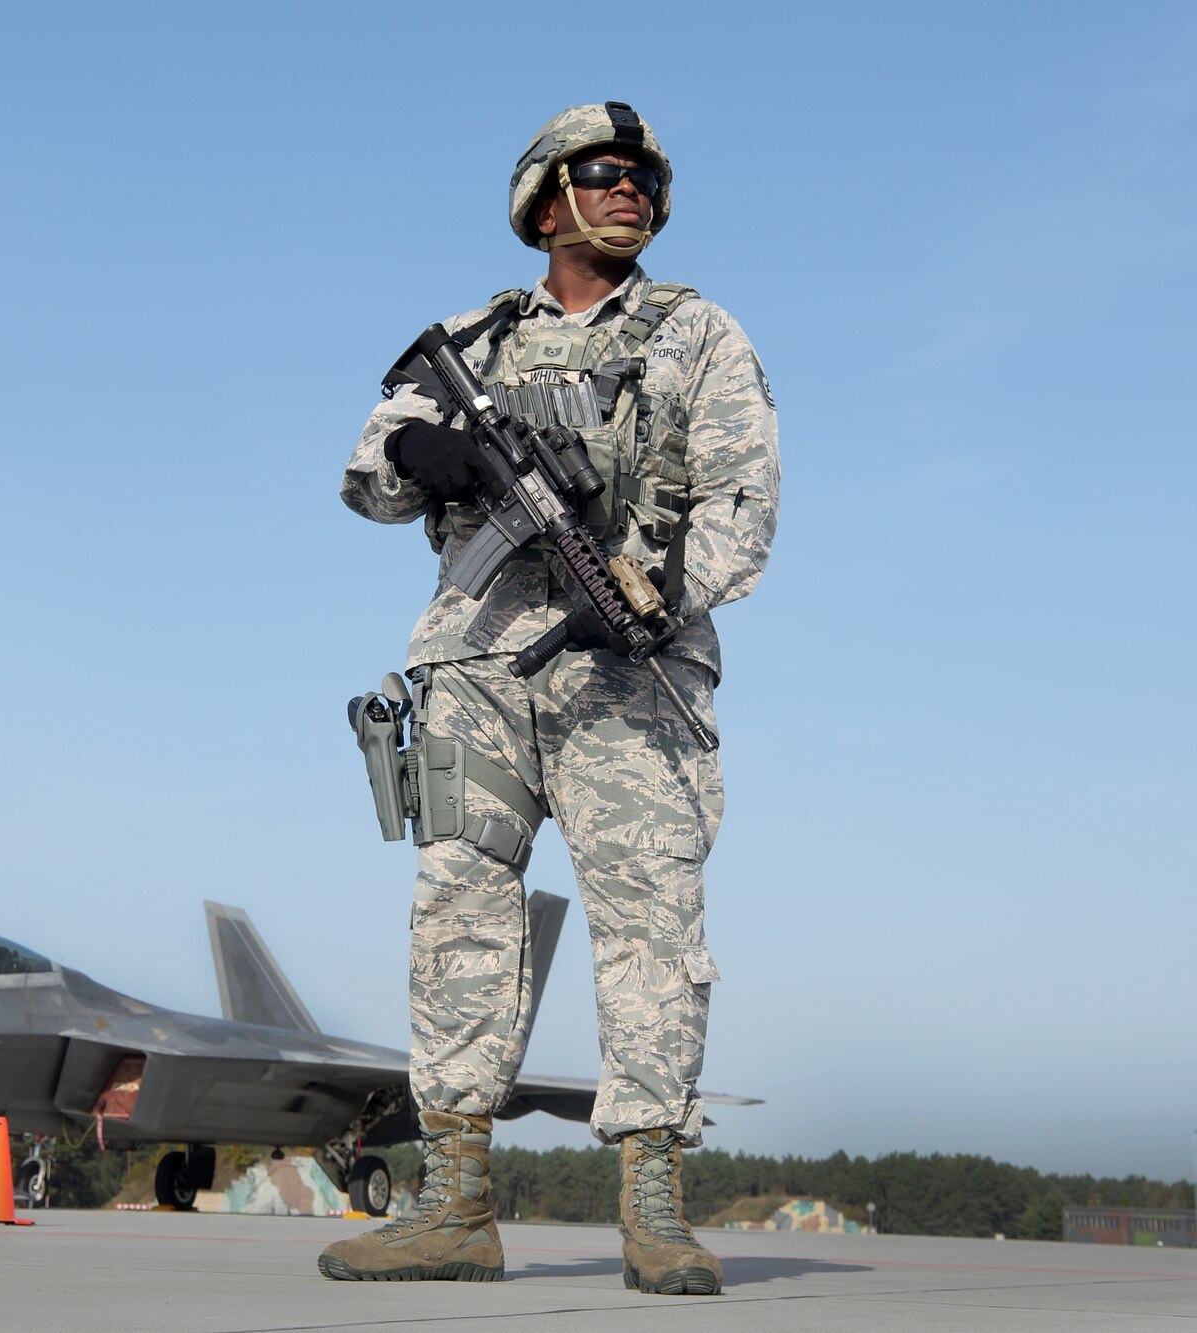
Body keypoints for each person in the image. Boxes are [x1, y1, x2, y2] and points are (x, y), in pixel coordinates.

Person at [323, 102, 779, 1294]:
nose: (628, 190)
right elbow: (367, 478)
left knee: (649, 930)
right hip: (474, 665)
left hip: (630, 665)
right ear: (544, 198)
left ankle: (652, 1206)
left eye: (642, 178)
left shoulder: (697, 336)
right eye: (602, 173)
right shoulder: (470, 342)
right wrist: (427, 456)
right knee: (457, 917)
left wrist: (647, 593)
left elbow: (743, 506)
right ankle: (454, 1205)